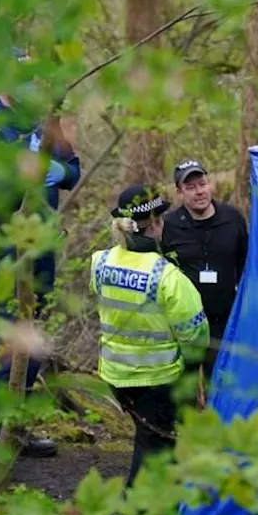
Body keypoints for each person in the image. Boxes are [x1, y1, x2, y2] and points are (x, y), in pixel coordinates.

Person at [0, 48, 80, 458]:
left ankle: (13, 428)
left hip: (41, 250)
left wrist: (57, 169)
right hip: (2, 253)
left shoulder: (43, 121)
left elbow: (73, 170)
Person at [91, 184, 210, 487]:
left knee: (149, 440)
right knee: (156, 449)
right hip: (156, 381)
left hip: (115, 376)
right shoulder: (168, 277)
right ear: (156, 224)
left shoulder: (100, 263)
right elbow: (196, 336)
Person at [161, 159, 249, 382]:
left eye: (202, 184)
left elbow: (246, 264)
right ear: (179, 192)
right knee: (185, 384)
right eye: (190, 188)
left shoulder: (233, 218)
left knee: (219, 381)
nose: (199, 192)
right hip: (185, 323)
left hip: (224, 318)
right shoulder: (169, 226)